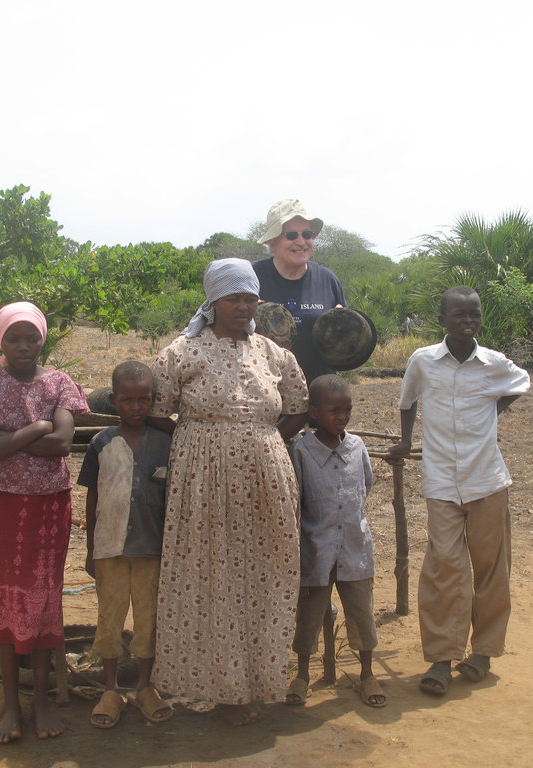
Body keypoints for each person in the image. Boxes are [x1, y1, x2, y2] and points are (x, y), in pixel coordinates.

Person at [150, 258, 308, 726]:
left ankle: (260, 680)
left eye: (250, 297)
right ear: (213, 301)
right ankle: (218, 687)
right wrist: (203, 439)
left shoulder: (274, 353)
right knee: (210, 573)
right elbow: (158, 411)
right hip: (203, 478)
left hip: (265, 477)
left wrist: (265, 442)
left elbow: (298, 408)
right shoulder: (181, 352)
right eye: (234, 298)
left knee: (265, 570)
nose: (243, 306)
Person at [0, 301, 88, 743]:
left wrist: (7, 438)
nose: (23, 345)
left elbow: (63, 443)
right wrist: (35, 430)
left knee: (44, 598)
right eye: (14, 337)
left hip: (51, 507)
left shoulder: (60, 384)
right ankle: (11, 706)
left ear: (43, 338)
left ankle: (41, 702)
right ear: (0, 341)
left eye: (31, 337)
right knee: (8, 598)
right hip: (5, 508)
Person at [386, 286, 530, 697]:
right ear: (443, 319)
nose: (468, 321)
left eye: (475, 314)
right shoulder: (423, 361)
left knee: (490, 567)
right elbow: (407, 399)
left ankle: (483, 651)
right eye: (460, 314)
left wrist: (493, 410)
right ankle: (442, 658)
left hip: (487, 479)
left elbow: (521, 383)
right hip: (442, 481)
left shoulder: (494, 364)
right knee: (444, 565)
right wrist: (405, 440)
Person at [77, 361, 173, 729]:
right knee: (110, 619)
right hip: (110, 550)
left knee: (148, 620)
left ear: (153, 400)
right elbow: (92, 497)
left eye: (144, 399)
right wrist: (90, 549)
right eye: (128, 400)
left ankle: (146, 687)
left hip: (152, 549)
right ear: (113, 401)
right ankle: (111, 689)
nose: (136, 407)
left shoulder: (166, 443)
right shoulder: (101, 443)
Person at [286, 374, 386, 709]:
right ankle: (301, 676)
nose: (342, 417)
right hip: (315, 552)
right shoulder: (301, 451)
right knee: (309, 617)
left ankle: (367, 674)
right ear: (313, 412)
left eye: (347, 410)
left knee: (362, 615)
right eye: (334, 411)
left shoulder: (356, 447)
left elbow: (365, 486)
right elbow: (295, 501)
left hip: (355, 550)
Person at [253, 198, 347, 383]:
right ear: (272, 242)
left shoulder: (327, 280)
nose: (301, 241)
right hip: (265, 394)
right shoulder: (251, 278)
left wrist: (342, 325)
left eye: (307, 234)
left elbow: (346, 346)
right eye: (291, 235)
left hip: (318, 395)